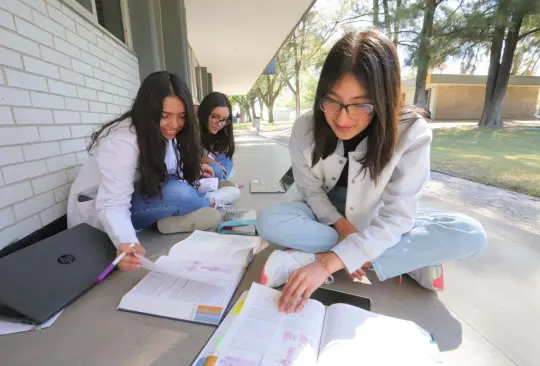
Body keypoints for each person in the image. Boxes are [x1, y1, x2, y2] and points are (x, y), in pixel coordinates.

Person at [255, 30, 487, 313]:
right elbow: (311, 191)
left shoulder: (411, 132)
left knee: (470, 233)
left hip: (375, 218)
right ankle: (405, 261)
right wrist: (343, 229)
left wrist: (328, 262)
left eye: (361, 105)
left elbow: (397, 216)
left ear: (383, 99)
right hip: (321, 215)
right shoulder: (305, 127)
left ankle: (305, 259)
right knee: (268, 221)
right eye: (332, 100)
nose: (342, 118)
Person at [67, 71, 239, 271]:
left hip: (139, 194)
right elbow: (112, 204)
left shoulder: (165, 131)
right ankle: (211, 201)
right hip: (99, 214)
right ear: (148, 110)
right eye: (165, 116)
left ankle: (170, 219)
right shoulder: (121, 141)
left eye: (181, 117)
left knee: (181, 185)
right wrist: (126, 242)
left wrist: (197, 168)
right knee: (178, 192)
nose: (174, 125)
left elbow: (171, 168)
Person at [198, 92, 236, 181]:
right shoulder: (194, 128)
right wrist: (213, 162)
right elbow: (196, 158)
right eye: (215, 117)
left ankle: (222, 181)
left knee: (227, 158)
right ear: (205, 113)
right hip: (194, 167)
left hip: (208, 162)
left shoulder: (220, 129)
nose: (219, 124)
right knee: (216, 170)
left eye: (224, 119)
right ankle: (222, 182)